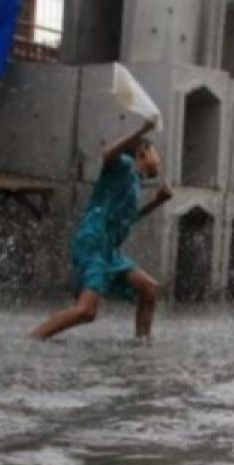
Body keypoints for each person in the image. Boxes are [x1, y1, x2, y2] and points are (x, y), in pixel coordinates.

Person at [31, 119, 172, 342]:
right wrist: (142, 129)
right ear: (143, 152)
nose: (160, 160)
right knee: (86, 311)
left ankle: (141, 344)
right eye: (156, 152)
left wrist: (157, 202)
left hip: (109, 250)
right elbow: (107, 154)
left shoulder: (135, 182)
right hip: (93, 242)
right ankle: (33, 338)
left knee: (149, 289)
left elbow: (127, 219)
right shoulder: (124, 165)